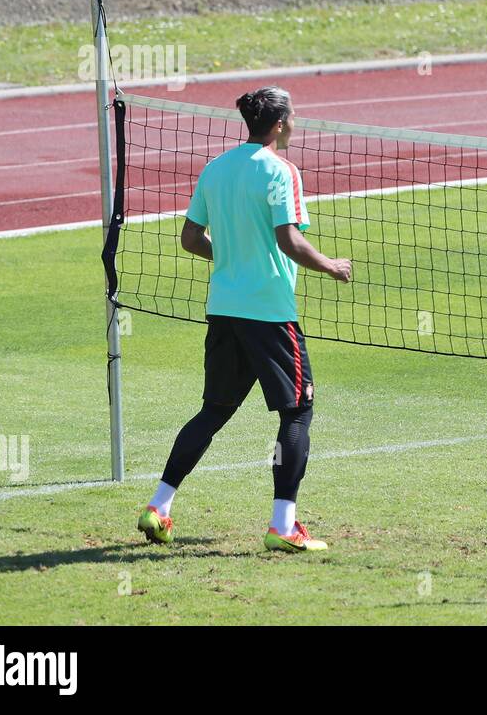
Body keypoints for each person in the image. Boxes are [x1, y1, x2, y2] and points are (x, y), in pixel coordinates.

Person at [136, 86, 352, 551]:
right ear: (278, 124)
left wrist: (229, 254)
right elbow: (289, 240)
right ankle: (283, 525)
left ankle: (159, 506)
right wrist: (332, 265)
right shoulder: (281, 171)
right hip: (270, 314)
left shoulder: (216, 169)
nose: (296, 124)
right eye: (293, 117)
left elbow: (191, 238)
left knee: (214, 410)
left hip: (224, 309)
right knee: (297, 411)